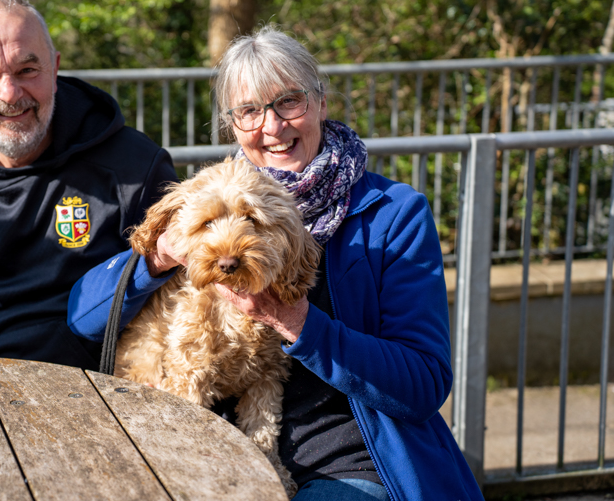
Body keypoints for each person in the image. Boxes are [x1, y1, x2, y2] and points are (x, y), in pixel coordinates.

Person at [67, 26, 484, 500]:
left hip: (347, 459)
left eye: (289, 101)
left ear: (321, 102)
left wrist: (297, 322)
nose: (272, 126)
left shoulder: (393, 216)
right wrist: (160, 257)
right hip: (216, 444)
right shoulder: (208, 204)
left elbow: (423, 385)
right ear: (232, 125)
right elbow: (84, 318)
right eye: (249, 111)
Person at [0, 0, 177, 369]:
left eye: (27, 71)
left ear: (54, 69)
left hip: (112, 390)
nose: (10, 94)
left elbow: (172, 311)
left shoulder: (137, 168)